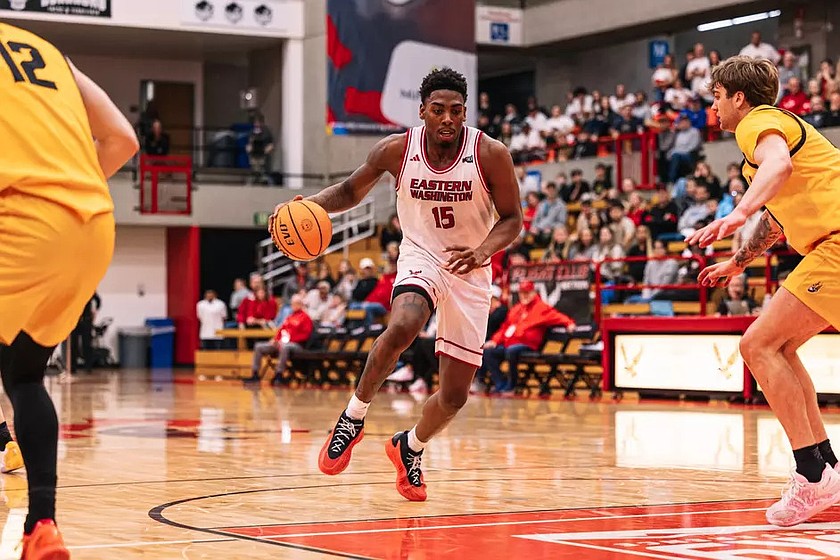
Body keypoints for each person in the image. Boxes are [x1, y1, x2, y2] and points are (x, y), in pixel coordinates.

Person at [269, 68, 522, 501]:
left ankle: (410, 448)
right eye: (438, 110)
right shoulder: (396, 151)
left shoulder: (490, 153)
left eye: (456, 111)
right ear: (422, 111)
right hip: (421, 255)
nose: (447, 118)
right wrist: (307, 206)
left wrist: (483, 251)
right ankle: (353, 416)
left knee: (455, 396)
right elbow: (350, 191)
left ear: (465, 114)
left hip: (471, 267)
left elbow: (513, 218)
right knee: (403, 325)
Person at [0, 21, 139, 557]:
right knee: (24, 372)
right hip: (90, 223)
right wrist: (61, 198)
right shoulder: (44, 49)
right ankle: (42, 527)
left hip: (20, 217)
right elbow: (123, 139)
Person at [687, 55, 840, 527]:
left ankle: (813, 473)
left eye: (716, 96)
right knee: (780, 347)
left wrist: (734, 216)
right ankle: (825, 469)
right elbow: (776, 215)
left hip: (836, 245)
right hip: (827, 247)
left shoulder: (757, 123)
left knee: (758, 344)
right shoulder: (771, 134)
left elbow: (779, 169)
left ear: (738, 97)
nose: (713, 106)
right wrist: (737, 261)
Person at [243, 294, 313, 385]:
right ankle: (255, 374)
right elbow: (281, 330)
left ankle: (279, 375)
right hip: (282, 343)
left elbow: (305, 335)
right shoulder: (289, 317)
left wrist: (288, 340)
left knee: (284, 346)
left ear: (300, 304)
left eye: (295, 304)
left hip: (297, 345)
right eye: (292, 304)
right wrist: (275, 339)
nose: (293, 306)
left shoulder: (305, 318)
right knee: (259, 346)